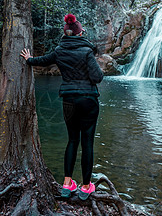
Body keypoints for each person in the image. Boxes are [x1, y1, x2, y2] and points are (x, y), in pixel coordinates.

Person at [20, 14, 103, 200]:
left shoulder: (59, 50)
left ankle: (67, 183)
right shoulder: (87, 51)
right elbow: (98, 77)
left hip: (68, 100)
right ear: (80, 33)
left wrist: (29, 59)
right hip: (89, 99)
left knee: (72, 140)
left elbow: (42, 60)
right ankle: (86, 186)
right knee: (87, 143)